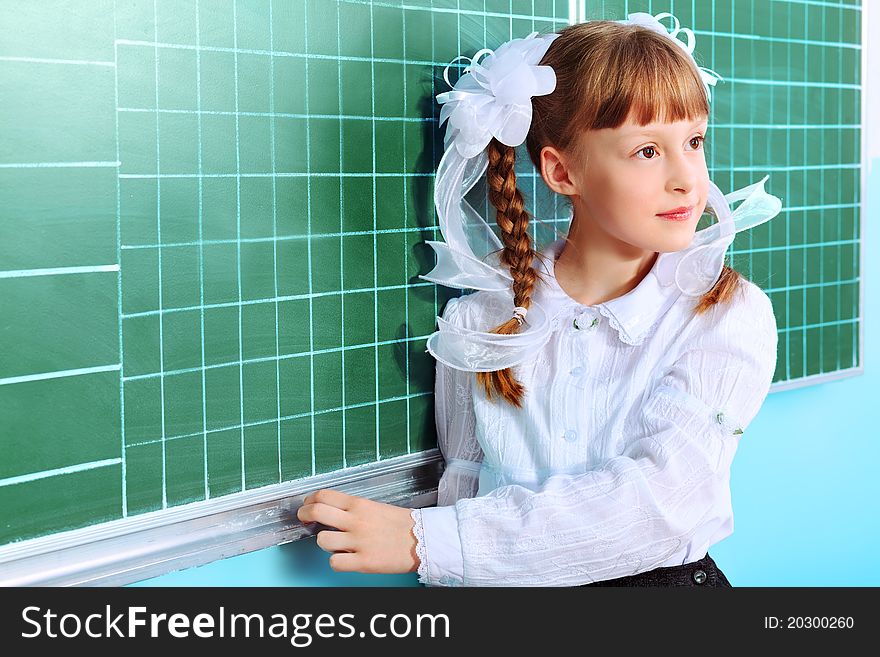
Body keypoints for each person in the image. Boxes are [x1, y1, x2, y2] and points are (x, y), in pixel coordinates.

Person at [296, 11, 782, 587]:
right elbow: (466, 475)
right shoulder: (481, 318)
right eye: (647, 151)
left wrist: (428, 540)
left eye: (694, 141)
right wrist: (442, 543)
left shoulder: (723, 314)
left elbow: (661, 504)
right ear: (561, 170)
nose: (687, 179)